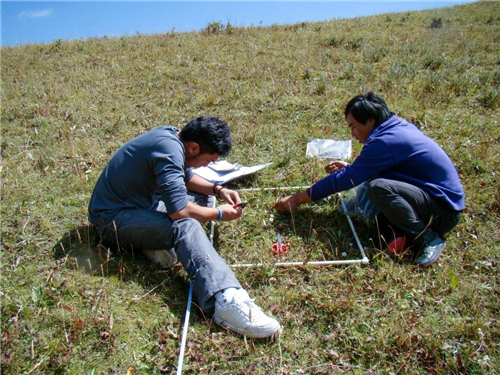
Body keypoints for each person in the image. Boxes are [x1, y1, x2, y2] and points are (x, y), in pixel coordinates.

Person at [88, 115, 280, 338]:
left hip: (140, 206)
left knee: (201, 200)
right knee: (186, 224)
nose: (207, 166)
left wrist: (218, 190)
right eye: (209, 161)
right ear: (194, 148)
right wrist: (219, 214)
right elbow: (179, 211)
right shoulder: (169, 149)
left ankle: (155, 243)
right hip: (111, 219)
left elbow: (186, 177)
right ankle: (225, 300)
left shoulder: (174, 138)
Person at [274, 92, 465, 268]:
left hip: (443, 210)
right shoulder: (394, 127)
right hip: (428, 198)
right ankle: (399, 236)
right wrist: (353, 169)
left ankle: (428, 239)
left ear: (371, 121)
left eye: (354, 127)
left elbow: (343, 181)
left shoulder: (384, 141)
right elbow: (389, 170)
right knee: (376, 197)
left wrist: (297, 199)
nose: (353, 135)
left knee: (378, 189)